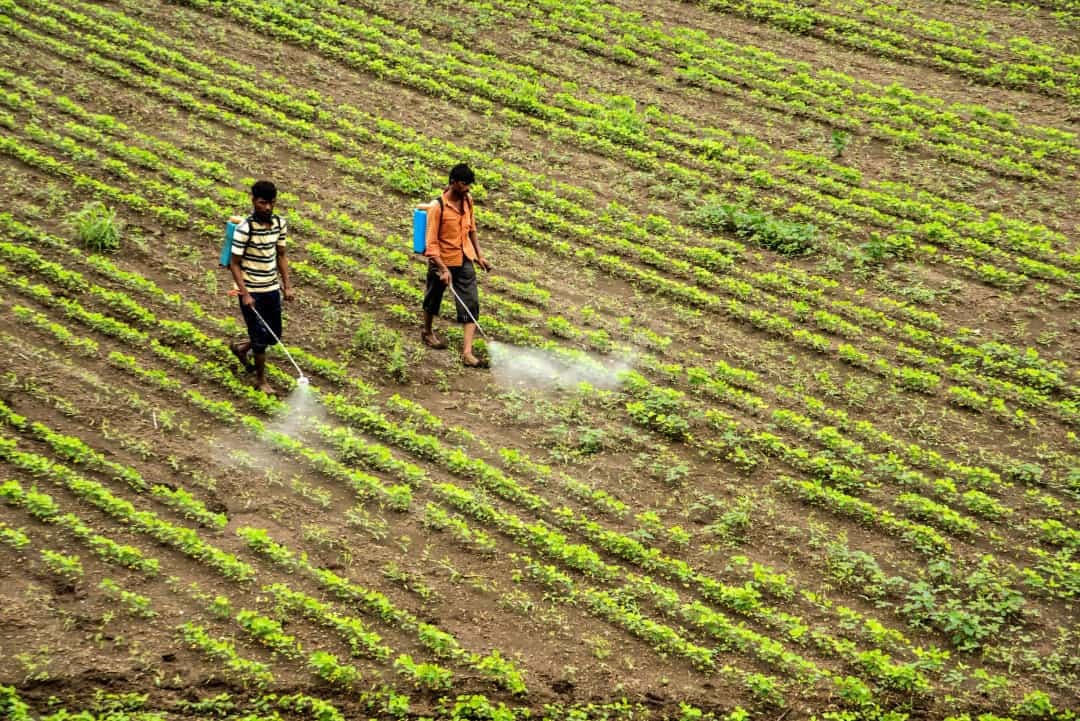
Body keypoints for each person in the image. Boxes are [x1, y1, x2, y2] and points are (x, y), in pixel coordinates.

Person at [228, 180, 295, 394]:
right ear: (253, 201)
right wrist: (245, 294)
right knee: (259, 339)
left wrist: (287, 286)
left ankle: (240, 348)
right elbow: (234, 263)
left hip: (271, 287)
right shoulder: (244, 228)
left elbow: (281, 255)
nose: (267, 207)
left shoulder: (279, 223)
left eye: (271, 203)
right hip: (251, 290)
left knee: (273, 334)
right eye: (262, 203)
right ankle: (260, 381)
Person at [421, 163, 491, 367]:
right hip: (442, 260)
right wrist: (442, 269)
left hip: (464, 258)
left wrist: (480, 255)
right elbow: (431, 243)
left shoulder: (468, 201)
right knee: (433, 298)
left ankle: (467, 353)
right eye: (464, 184)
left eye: (469, 184)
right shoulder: (438, 207)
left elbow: (472, 230)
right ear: (452, 182)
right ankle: (427, 331)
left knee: (471, 303)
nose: (467, 188)